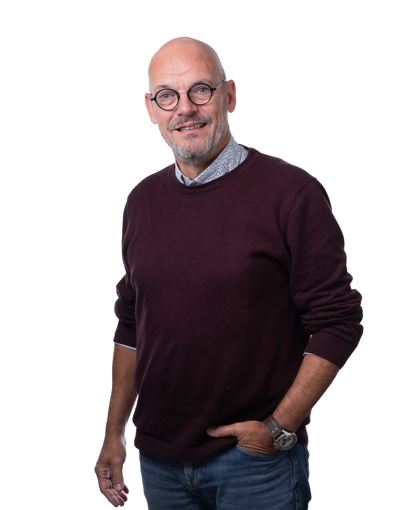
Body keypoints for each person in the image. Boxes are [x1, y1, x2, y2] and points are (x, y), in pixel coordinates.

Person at [94, 36, 364, 509]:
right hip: (159, 461)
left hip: (255, 465)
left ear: (230, 96)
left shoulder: (292, 195)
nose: (185, 109)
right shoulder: (140, 201)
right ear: (151, 110)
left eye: (200, 90)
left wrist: (278, 429)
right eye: (167, 96)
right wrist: (113, 432)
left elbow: (338, 322)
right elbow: (132, 323)